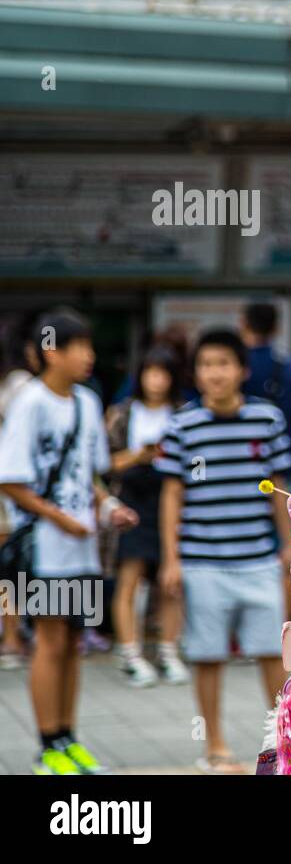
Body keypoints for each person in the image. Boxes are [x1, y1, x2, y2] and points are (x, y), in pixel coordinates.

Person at [0, 309, 138, 775]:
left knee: (74, 640)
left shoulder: (85, 402)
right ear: (50, 351)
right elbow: (11, 480)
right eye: (79, 346)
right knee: (50, 641)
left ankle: (68, 737)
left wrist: (107, 509)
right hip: (44, 546)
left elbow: (93, 478)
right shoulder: (31, 402)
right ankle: (47, 746)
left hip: (80, 546)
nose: (89, 356)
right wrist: (61, 518)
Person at [155, 328, 291, 774]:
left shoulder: (267, 420)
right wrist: (172, 560)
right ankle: (213, 744)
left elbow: (278, 487)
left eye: (223, 363)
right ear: (196, 373)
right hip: (201, 561)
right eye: (206, 365)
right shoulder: (182, 425)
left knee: (273, 652)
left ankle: (284, 739)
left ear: (242, 370)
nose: (214, 373)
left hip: (257, 558)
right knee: (207, 655)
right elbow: (172, 494)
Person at [104, 346, 187, 688]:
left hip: (171, 499)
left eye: (163, 373)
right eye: (150, 373)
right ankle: (130, 653)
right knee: (131, 577)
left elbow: (194, 466)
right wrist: (139, 455)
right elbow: (105, 463)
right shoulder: (123, 413)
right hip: (133, 501)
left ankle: (167, 651)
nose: (156, 380)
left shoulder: (182, 414)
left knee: (170, 582)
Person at [0, 315, 39, 670]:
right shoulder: (21, 385)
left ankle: (12, 636)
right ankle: (14, 635)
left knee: (6, 568)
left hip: (10, 484)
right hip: (11, 484)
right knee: (9, 568)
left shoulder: (19, 385)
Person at [240, 301, 291, 469]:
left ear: (243, 324)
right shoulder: (290, 364)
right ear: (276, 327)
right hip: (285, 458)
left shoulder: (236, 366)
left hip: (244, 458)